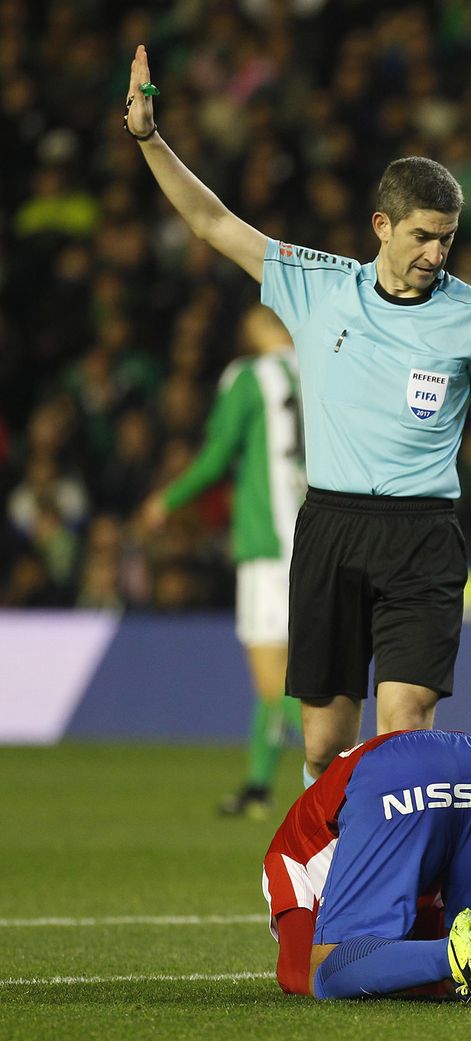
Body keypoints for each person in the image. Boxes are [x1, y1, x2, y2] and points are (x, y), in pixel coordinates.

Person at [123, 47, 471, 786]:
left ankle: (394, 861)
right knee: (325, 745)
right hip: (330, 527)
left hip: (424, 535)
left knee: (405, 728)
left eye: (448, 237)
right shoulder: (317, 287)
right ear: (382, 224)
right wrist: (149, 139)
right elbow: (212, 221)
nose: (437, 253)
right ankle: (331, 861)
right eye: (423, 235)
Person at [141, 306, 306, 818]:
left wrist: (164, 501)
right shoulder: (319, 368)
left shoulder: (249, 376)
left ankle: (359, 773)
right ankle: (259, 786)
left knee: (271, 678)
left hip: (268, 541)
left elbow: (215, 457)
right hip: (317, 538)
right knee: (284, 673)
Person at [261, 728, 471, 1008]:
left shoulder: (287, 860)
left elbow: (303, 977)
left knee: (324, 974)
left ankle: (452, 954)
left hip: (396, 778)